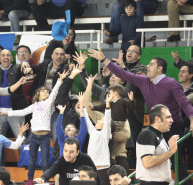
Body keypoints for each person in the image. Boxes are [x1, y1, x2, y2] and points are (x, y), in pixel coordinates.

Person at [89, 49, 193, 184]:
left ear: (160, 68)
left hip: (172, 126)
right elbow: (123, 74)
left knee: (175, 161)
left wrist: (192, 118)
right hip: (154, 127)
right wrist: (104, 60)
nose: (147, 67)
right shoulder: (143, 80)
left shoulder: (171, 83)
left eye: (151, 65)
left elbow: (184, 103)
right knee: (150, 158)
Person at [1, 70, 68, 185]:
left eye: (47, 92)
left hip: (45, 137)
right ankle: (30, 180)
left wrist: (60, 80)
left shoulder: (48, 103)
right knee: (32, 160)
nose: (46, 93)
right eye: (43, 91)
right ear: (38, 94)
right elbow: (22, 112)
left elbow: (54, 92)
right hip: (33, 136)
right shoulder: (34, 105)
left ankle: (45, 180)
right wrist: (8, 113)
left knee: (45, 160)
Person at [136, 104, 179, 185]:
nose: (171, 120)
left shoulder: (158, 134)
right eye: (168, 117)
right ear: (157, 119)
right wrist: (170, 151)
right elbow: (147, 163)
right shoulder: (147, 134)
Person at [34, 138, 101, 185]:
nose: (67, 155)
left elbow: (96, 177)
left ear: (77, 152)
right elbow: (51, 170)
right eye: (65, 151)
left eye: (71, 152)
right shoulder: (61, 161)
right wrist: (43, 178)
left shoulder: (85, 159)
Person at [83, 77, 112, 185]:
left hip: (104, 167)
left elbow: (108, 120)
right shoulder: (93, 132)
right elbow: (86, 119)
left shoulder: (105, 134)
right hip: (92, 167)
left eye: (101, 120)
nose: (99, 120)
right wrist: (83, 106)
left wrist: (108, 104)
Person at [56, 92, 87, 157]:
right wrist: (61, 113)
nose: (68, 128)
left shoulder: (79, 139)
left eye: (72, 127)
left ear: (76, 133)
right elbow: (58, 127)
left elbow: (83, 128)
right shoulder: (62, 139)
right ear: (64, 133)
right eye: (66, 127)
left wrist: (81, 112)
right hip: (64, 165)